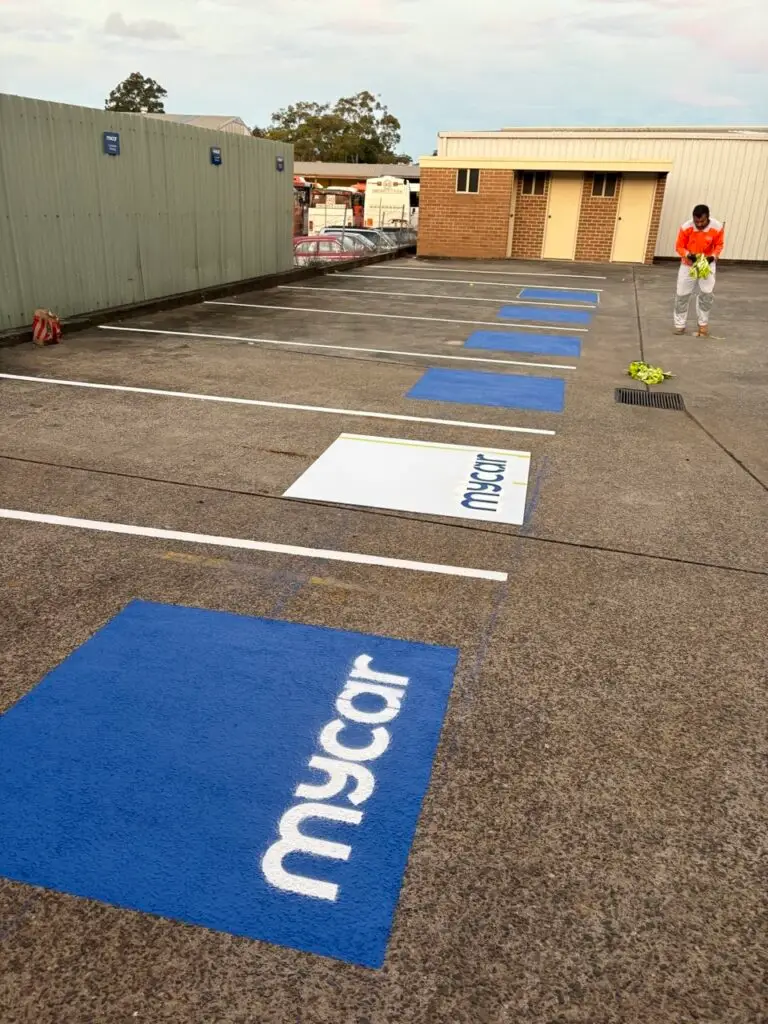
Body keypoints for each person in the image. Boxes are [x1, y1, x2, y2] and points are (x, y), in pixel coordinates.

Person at [674, 204, 725, 337]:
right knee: (682, 295)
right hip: (688, 264)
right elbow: (679, 246)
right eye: (696, 222)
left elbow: (719, 245)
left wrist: (712, 257)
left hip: (707, 264)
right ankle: (680, 325)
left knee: (706, 294)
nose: (699, 224)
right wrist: (688, 255)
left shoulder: (717, 227)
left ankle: (703, 324)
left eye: (702, 221)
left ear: (708, 217)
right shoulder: (686, 227)